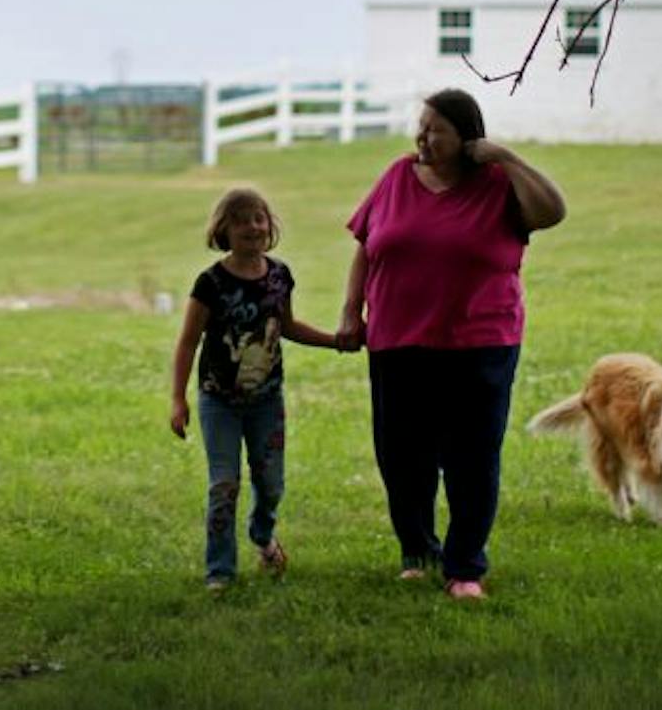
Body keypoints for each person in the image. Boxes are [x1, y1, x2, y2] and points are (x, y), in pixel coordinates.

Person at [335, 88, 566, 600]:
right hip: (397, 339)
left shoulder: (499, 185)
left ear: (467, 138)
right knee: (401, 456)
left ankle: (464, 569)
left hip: (479, 342)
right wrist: (353, 310)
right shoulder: (397, 176)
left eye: (436, 128)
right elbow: (366, 245)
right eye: (421, 126)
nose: (423, 136)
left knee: (472, 457)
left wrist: (504, 156)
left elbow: (553, 211)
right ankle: (417, 552)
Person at [168, 186, 343, 592]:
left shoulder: (279, 275)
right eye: (241, 219)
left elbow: (289, 326)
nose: (252, 226)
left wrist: (336, 340)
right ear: (223, 229)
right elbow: (188, 341)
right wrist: (178, 399)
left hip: (266, 401)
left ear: (270, 226)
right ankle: (220, 571)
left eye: (259, 217)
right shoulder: (210, 283)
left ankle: (262, 535)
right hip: (219, 401)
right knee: (223, 483)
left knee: (271, 484)